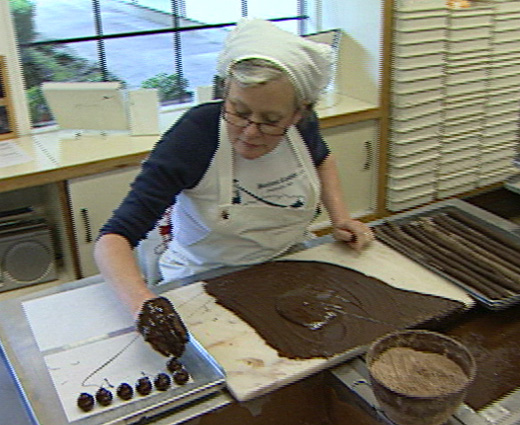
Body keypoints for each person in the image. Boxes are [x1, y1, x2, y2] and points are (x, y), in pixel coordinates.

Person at [94, 18, 374, 358]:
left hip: (289, 266)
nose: (250, 132)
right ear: (225, 90)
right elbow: (113, 239)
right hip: (202, 281)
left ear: (298, 114)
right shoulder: (195, 135)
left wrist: (340, 218)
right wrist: (143, 304)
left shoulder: (304, 128)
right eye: (238, 112)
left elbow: (323, 160)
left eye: (271, 121)